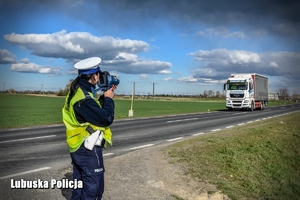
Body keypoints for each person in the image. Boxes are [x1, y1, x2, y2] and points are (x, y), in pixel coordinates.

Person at [62, 57, 116, 200]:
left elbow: (91, 113)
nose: (100, 77)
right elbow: (105, 119)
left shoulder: (78, 91)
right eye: (99, 74)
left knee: (79, 188)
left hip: (78, 147)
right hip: (88, 149)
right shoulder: (84, 99)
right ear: (94, 76)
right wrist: (109, 99)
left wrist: (104, 97)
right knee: (93, 191)